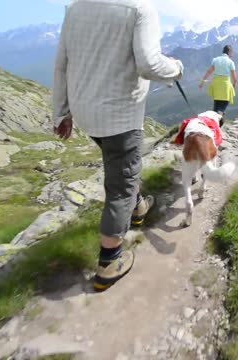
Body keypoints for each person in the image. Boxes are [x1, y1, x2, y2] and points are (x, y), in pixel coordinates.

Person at [52, 0, 184, 292]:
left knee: (120, 166)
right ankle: (108, 264)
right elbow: (149, 64)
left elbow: (62, 64)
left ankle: (137, 209)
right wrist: (176, 68)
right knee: (120, 185)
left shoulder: (75, 8)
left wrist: (61, 112)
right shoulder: (140, 8)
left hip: (85, 111)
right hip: (119, 116)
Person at [199, 45, 237, 121]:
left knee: (216, 104)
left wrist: (202, 82)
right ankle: (218, 120)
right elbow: (234, 77)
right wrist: (234, 85)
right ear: (229, 52)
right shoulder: (230, 62)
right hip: (225, 85)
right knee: (223, 106)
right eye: (232, 52)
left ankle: (214, 122)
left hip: (216, 84)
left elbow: (209, 71)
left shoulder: (215, 60)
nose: (232, 54)